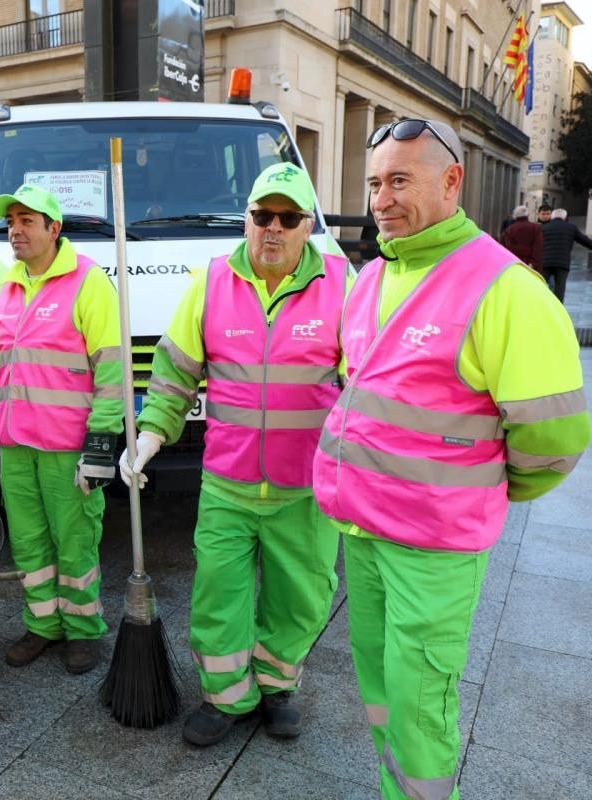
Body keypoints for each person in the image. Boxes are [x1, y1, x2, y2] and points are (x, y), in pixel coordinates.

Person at [313, 118, 592, 800]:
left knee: (418, 704)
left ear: (452, 181)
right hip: (365, 534)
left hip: (433, 547)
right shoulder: (372, 276)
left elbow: (553, 441)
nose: (382, 199)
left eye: (400, 180)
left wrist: (480, 488)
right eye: (375, 183)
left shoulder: (507, 289)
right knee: (380, 688)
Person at [121, 162, 348, 747]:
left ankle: (276, 689)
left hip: (307, 488)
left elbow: (368, 385)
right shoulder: (212, 281)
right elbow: (173, 374)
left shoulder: (346, 285)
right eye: (262, 215)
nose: (272, 228)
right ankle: (226, 698)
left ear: (306, 227)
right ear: (246, 219)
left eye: (288, 217)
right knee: (219, 597)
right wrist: (149, 435)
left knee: (300, 598)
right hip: (228, 482)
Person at [0, 184, 122, 675]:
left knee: (75, 541)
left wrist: (100, 446)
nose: (15, 229)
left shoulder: (88, 282)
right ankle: (43, 626)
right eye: (11, 220)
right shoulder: (10, 288)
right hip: (16, 447)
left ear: (54, 229)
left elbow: (112, 370)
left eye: (27, 221)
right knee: (31, 544)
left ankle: (82, 630)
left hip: (66, 448)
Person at [540, 208, 592, 303]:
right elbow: (584, 240)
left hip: (545, 262)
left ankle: (542, 305)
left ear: (552, 217)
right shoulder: (571, 227)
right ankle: (559, 308)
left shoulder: (543, 228)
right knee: (560, 287)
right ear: (565, 217)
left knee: (542, 285)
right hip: (562, 263)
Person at [501, 205, 543, 271]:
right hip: (531, 265)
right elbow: (538, 247)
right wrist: (533, 263)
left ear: (514, 216)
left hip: (514, 264)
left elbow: (507, 248)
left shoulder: (509, 230)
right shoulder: (535, 228)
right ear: (528, 215)